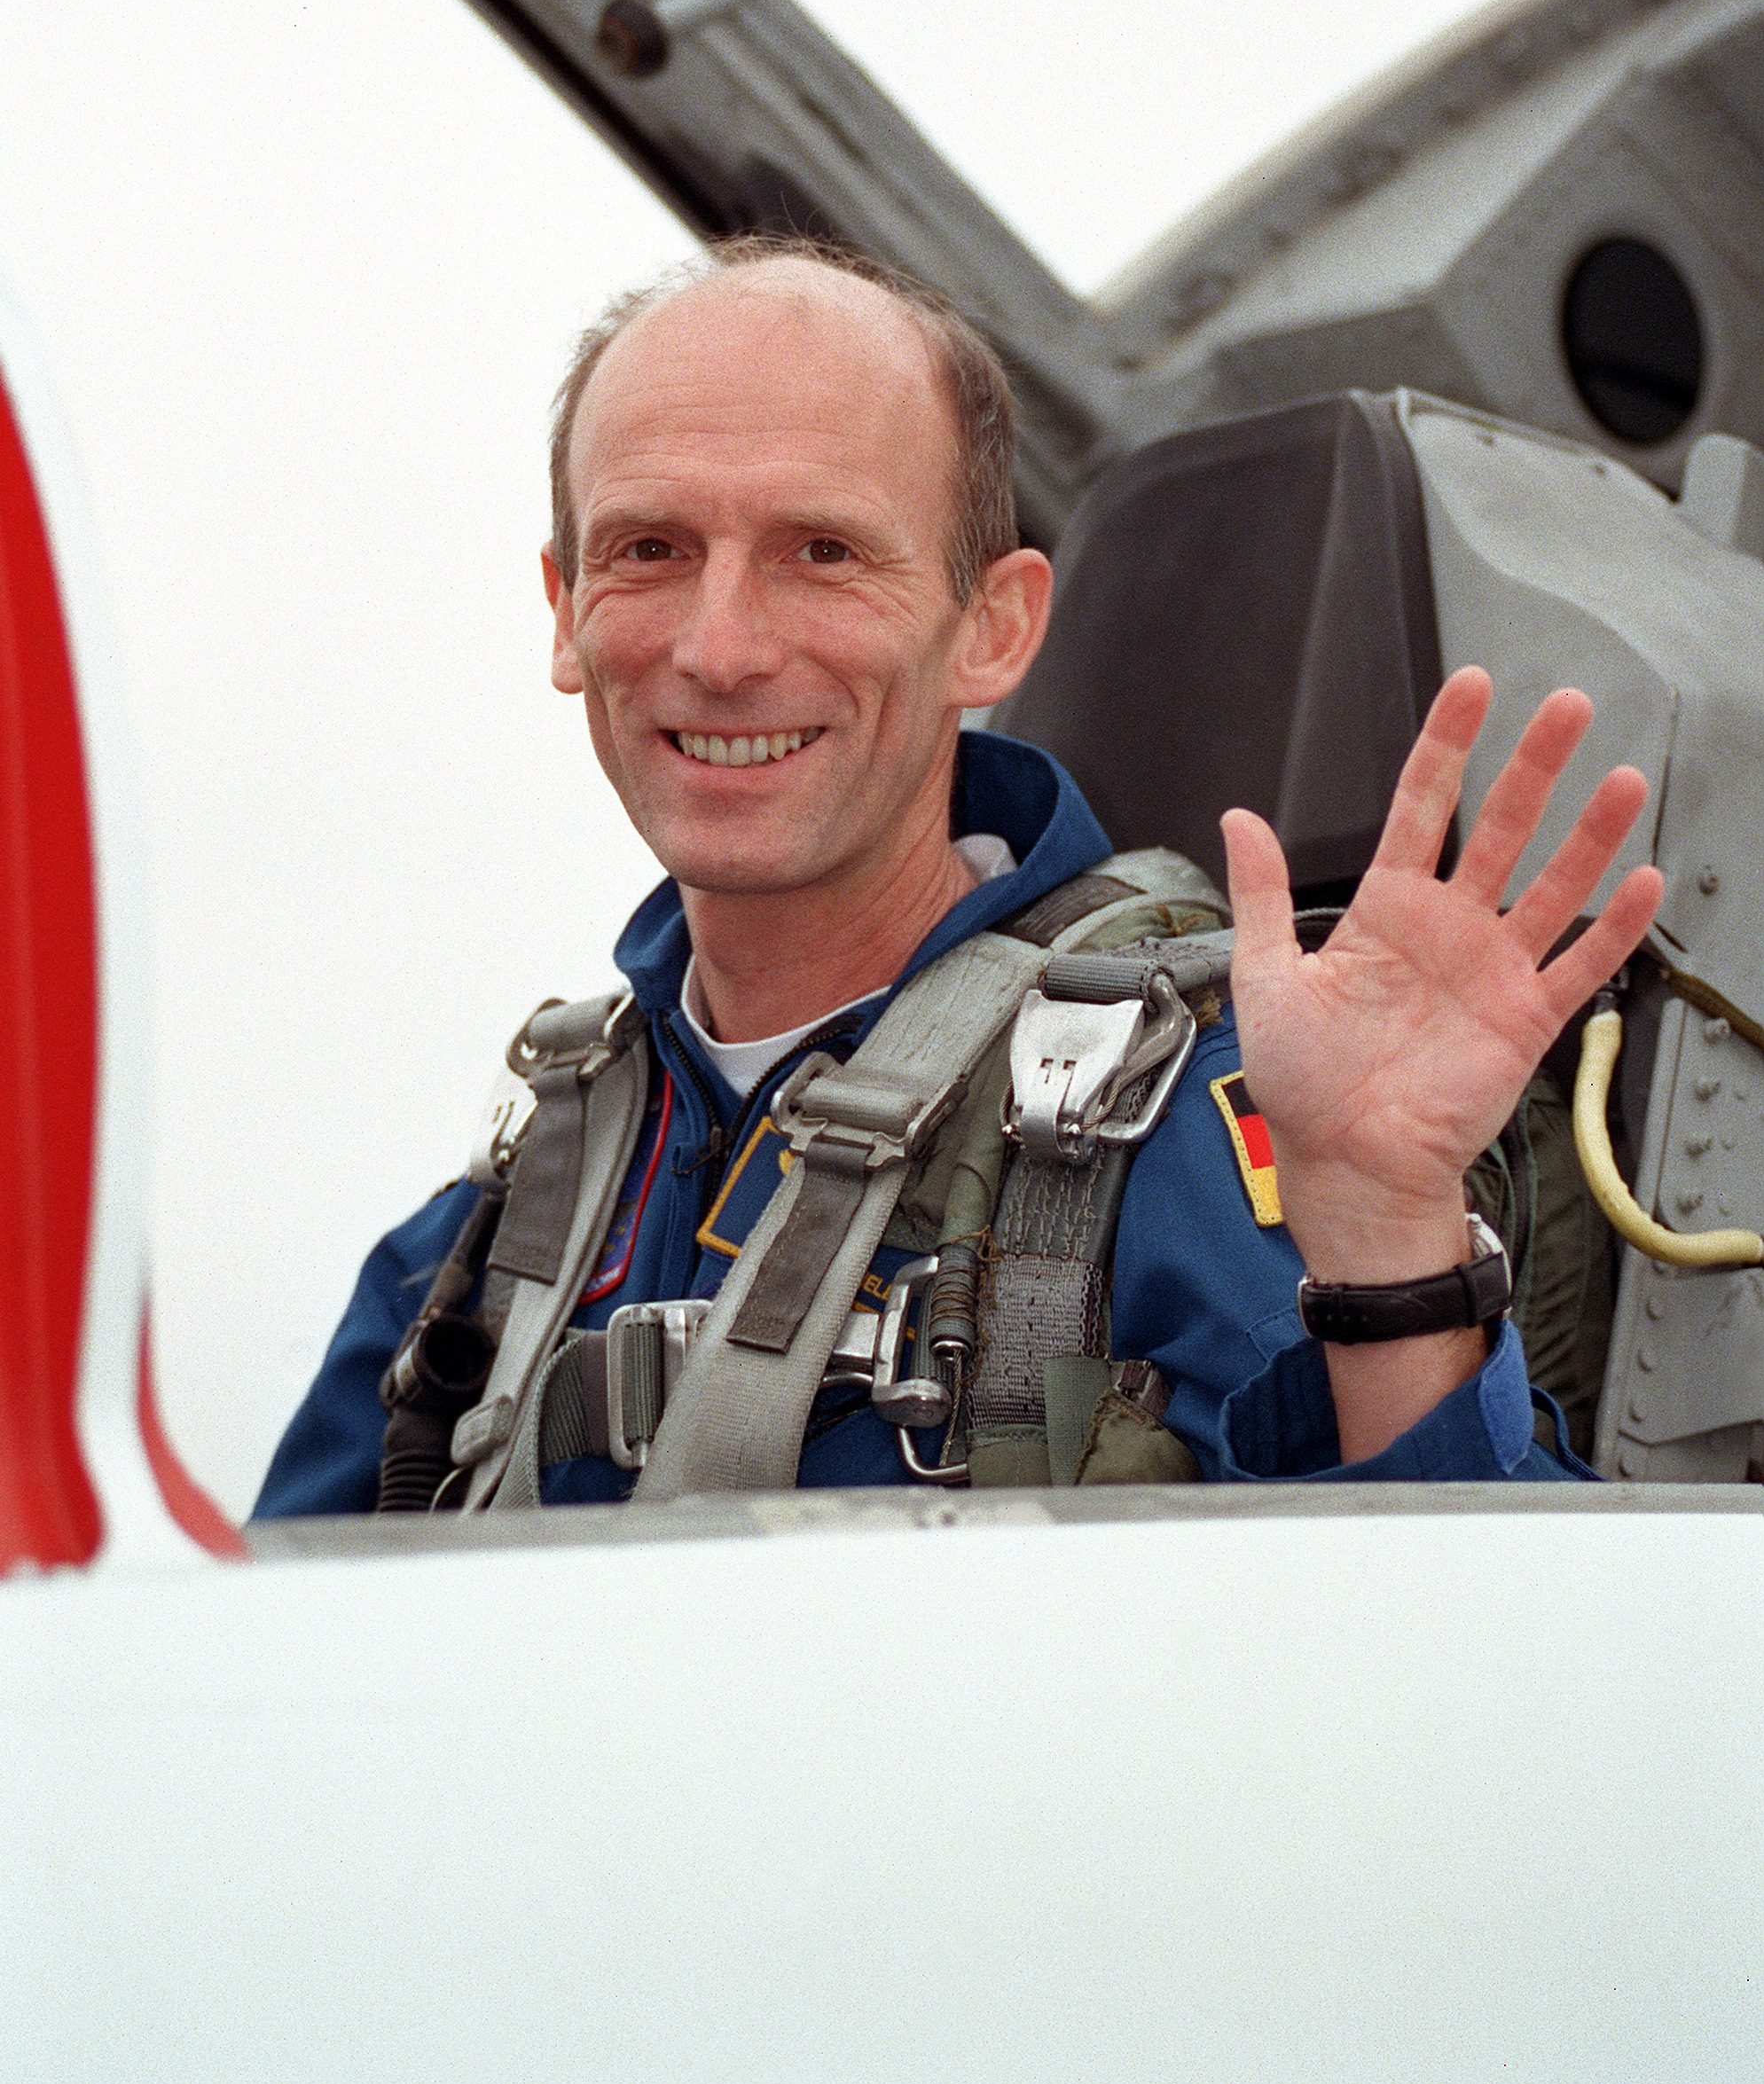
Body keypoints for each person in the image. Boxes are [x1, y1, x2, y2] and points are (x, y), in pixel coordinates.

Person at [254, 239, 1660, 1515]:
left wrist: (1379, 1239)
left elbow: (1465, 1687)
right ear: (565, 616)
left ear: (991, 628)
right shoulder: (501, 1231)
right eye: (650, 551)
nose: (721, 645)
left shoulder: (1180, 1128)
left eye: (822, 552)